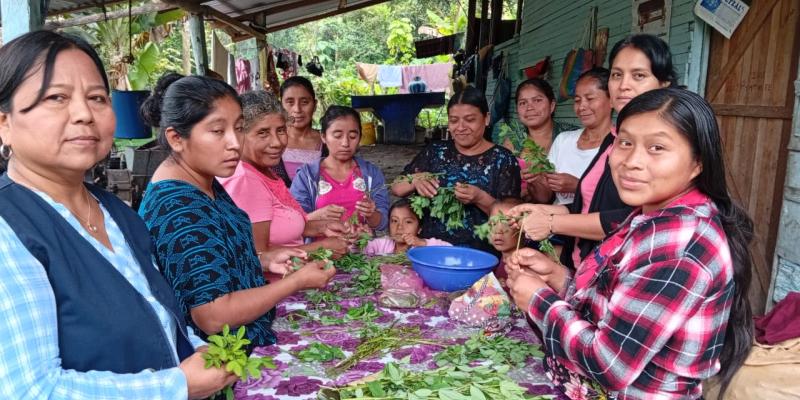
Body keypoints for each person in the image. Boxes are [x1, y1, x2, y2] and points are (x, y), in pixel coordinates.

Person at [0, 31, 234, 399]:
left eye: (96, 98)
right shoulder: (9, 227)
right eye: (56, 98)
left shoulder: (116, 213)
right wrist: (177, 385)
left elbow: (156, 316)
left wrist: (198, 349)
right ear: (4, 122)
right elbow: (29, 390)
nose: (83, 114)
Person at [506, 88, 754, 400]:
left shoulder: (678, 244)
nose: (632, 162)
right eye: (625, 142)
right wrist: (559, 278)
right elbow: (620, 311)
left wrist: (539, 300)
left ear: (697, 163)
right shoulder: (652, 215)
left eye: (657, 147)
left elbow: (608, 363)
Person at [138, 73, 335, 347]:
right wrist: (295, 282)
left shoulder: (204, 180)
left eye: (239, 128)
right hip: (222, 361)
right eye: (218, 131)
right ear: (176, 138)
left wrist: (261, 260)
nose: (234, 143)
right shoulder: (179, 207)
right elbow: (212, 315)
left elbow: (214, 262)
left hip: (247, 338)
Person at [512, 34, 676, 270]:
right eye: (617, 75)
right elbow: (593, 205)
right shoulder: (615, 140)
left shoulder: (668, 140)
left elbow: (632, 218)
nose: (624, 85)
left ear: (663, 84)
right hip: (589, 264)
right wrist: (543, 209)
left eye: (638, 75)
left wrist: (552, 222)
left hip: (629, 267)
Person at [218, 90, 350, 257]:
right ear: (239, 135)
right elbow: (257, 255)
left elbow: (280, 228)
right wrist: (322, 248)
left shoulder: (265, 171)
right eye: (263, 133)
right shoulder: (245, 179)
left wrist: (322, 227)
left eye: (281, 130)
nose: (277, 142)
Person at [392, 86, 521, 252]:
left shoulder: (503, 159)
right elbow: (396, 187)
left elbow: (512, 221)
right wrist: (415, 180)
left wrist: (480, 198)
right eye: (453, 120)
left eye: (470, 119)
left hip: (479, 255)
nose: (460, 127)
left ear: (486, 118)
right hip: (428, 250)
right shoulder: (435, 151)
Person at [291, 105, 389, 232]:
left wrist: (371, 214)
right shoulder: (307, 176)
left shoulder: (371, 174)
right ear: (323, 137)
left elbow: (382, 223)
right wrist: (318, 216)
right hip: (320, 250)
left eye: (353, 136)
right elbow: (292, 224)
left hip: (364, 250)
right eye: (337, 136)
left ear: (360, 137)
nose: (345, 143)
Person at [527, 68, 613, 205]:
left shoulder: (620, 144)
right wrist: (534, 181)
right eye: (577, 100)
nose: (582, 107)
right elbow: (544, 198)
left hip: (593, 224)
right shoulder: (563, 140)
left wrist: (578, 186)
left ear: (612, 100)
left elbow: (618, 202)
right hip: (556, 221)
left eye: (590, 99)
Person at [493, 78, 578, 154]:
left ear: (551, 106)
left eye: (537, 100)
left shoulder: (573, 136)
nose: (529, 107)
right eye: (523, 103)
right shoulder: (512, 143)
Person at [363, 198, 451, 256]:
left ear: (419, 228)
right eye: (394, 221)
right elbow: (359, 252)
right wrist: (360, 239)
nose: (400, 227)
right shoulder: (381, 244)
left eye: (408, 222)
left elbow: (450, 250)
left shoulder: (423, 248)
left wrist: (422, 243)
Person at [281, 76, 322, 181]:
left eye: (304, 102)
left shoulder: (326, 142)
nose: (297, 109)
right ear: (281, 105)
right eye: (290, 102)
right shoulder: (271, 141)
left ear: (315, 105)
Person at [483, 198, 523, 285]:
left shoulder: (523, 265)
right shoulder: (501, 260)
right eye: (493, 224)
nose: (498, 230)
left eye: (507, 223)